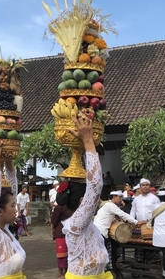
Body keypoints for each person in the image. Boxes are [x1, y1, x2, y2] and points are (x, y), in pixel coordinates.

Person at [56, 116, 112, 279]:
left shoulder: (85, 224)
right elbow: (95, 186)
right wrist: (88, 141)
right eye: (94, 199)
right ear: (83, 201)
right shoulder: (77, 224)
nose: (97, 201)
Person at [0, 136, 26, 278]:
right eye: (12, 206)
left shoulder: (5, 230)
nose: (16, 209)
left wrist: (8, 158)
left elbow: (12, 184)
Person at [94, 190, 144, 274]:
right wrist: (136, 222)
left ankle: (111, 267)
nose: (121, 200)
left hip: (98, 232)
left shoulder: (106, 205)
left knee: (110, 251)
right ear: (114, 197)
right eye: (119, 197)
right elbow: (123, 214)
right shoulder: (110, 205)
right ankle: (107, 271)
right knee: (104, 254)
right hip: (101, 233)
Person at [130, 178, 160, 265]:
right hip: (139, 226)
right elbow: (133, 211)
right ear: (140, 187)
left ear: (149, 187)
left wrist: (150, 221)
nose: (145, 187)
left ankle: (152, 268)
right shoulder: (136, 199)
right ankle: (141, 269)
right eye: (143, 185)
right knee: (140, 249)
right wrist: (133, 222)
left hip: (151, 226)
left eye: (147, 185)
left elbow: (157, 212)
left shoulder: (155, 198)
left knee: (152, 250)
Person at [51, 201, 71, 279]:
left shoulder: (71, 206)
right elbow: (54, 221)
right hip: (60, 233)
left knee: (68, 254)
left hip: (69, 233)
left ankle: (66, 271)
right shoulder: (58, 207)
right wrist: (52, 232)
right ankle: (60, 272)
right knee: (61, 254)